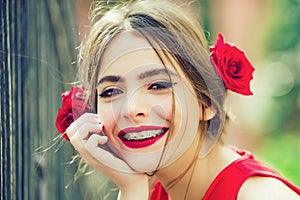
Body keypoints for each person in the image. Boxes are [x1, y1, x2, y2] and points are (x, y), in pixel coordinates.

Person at [58, 0, 300, 199]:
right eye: (110, 91)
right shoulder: (149, 189)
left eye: (158, 85)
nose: (131, 109)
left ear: (207, 102)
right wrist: (130, 189)